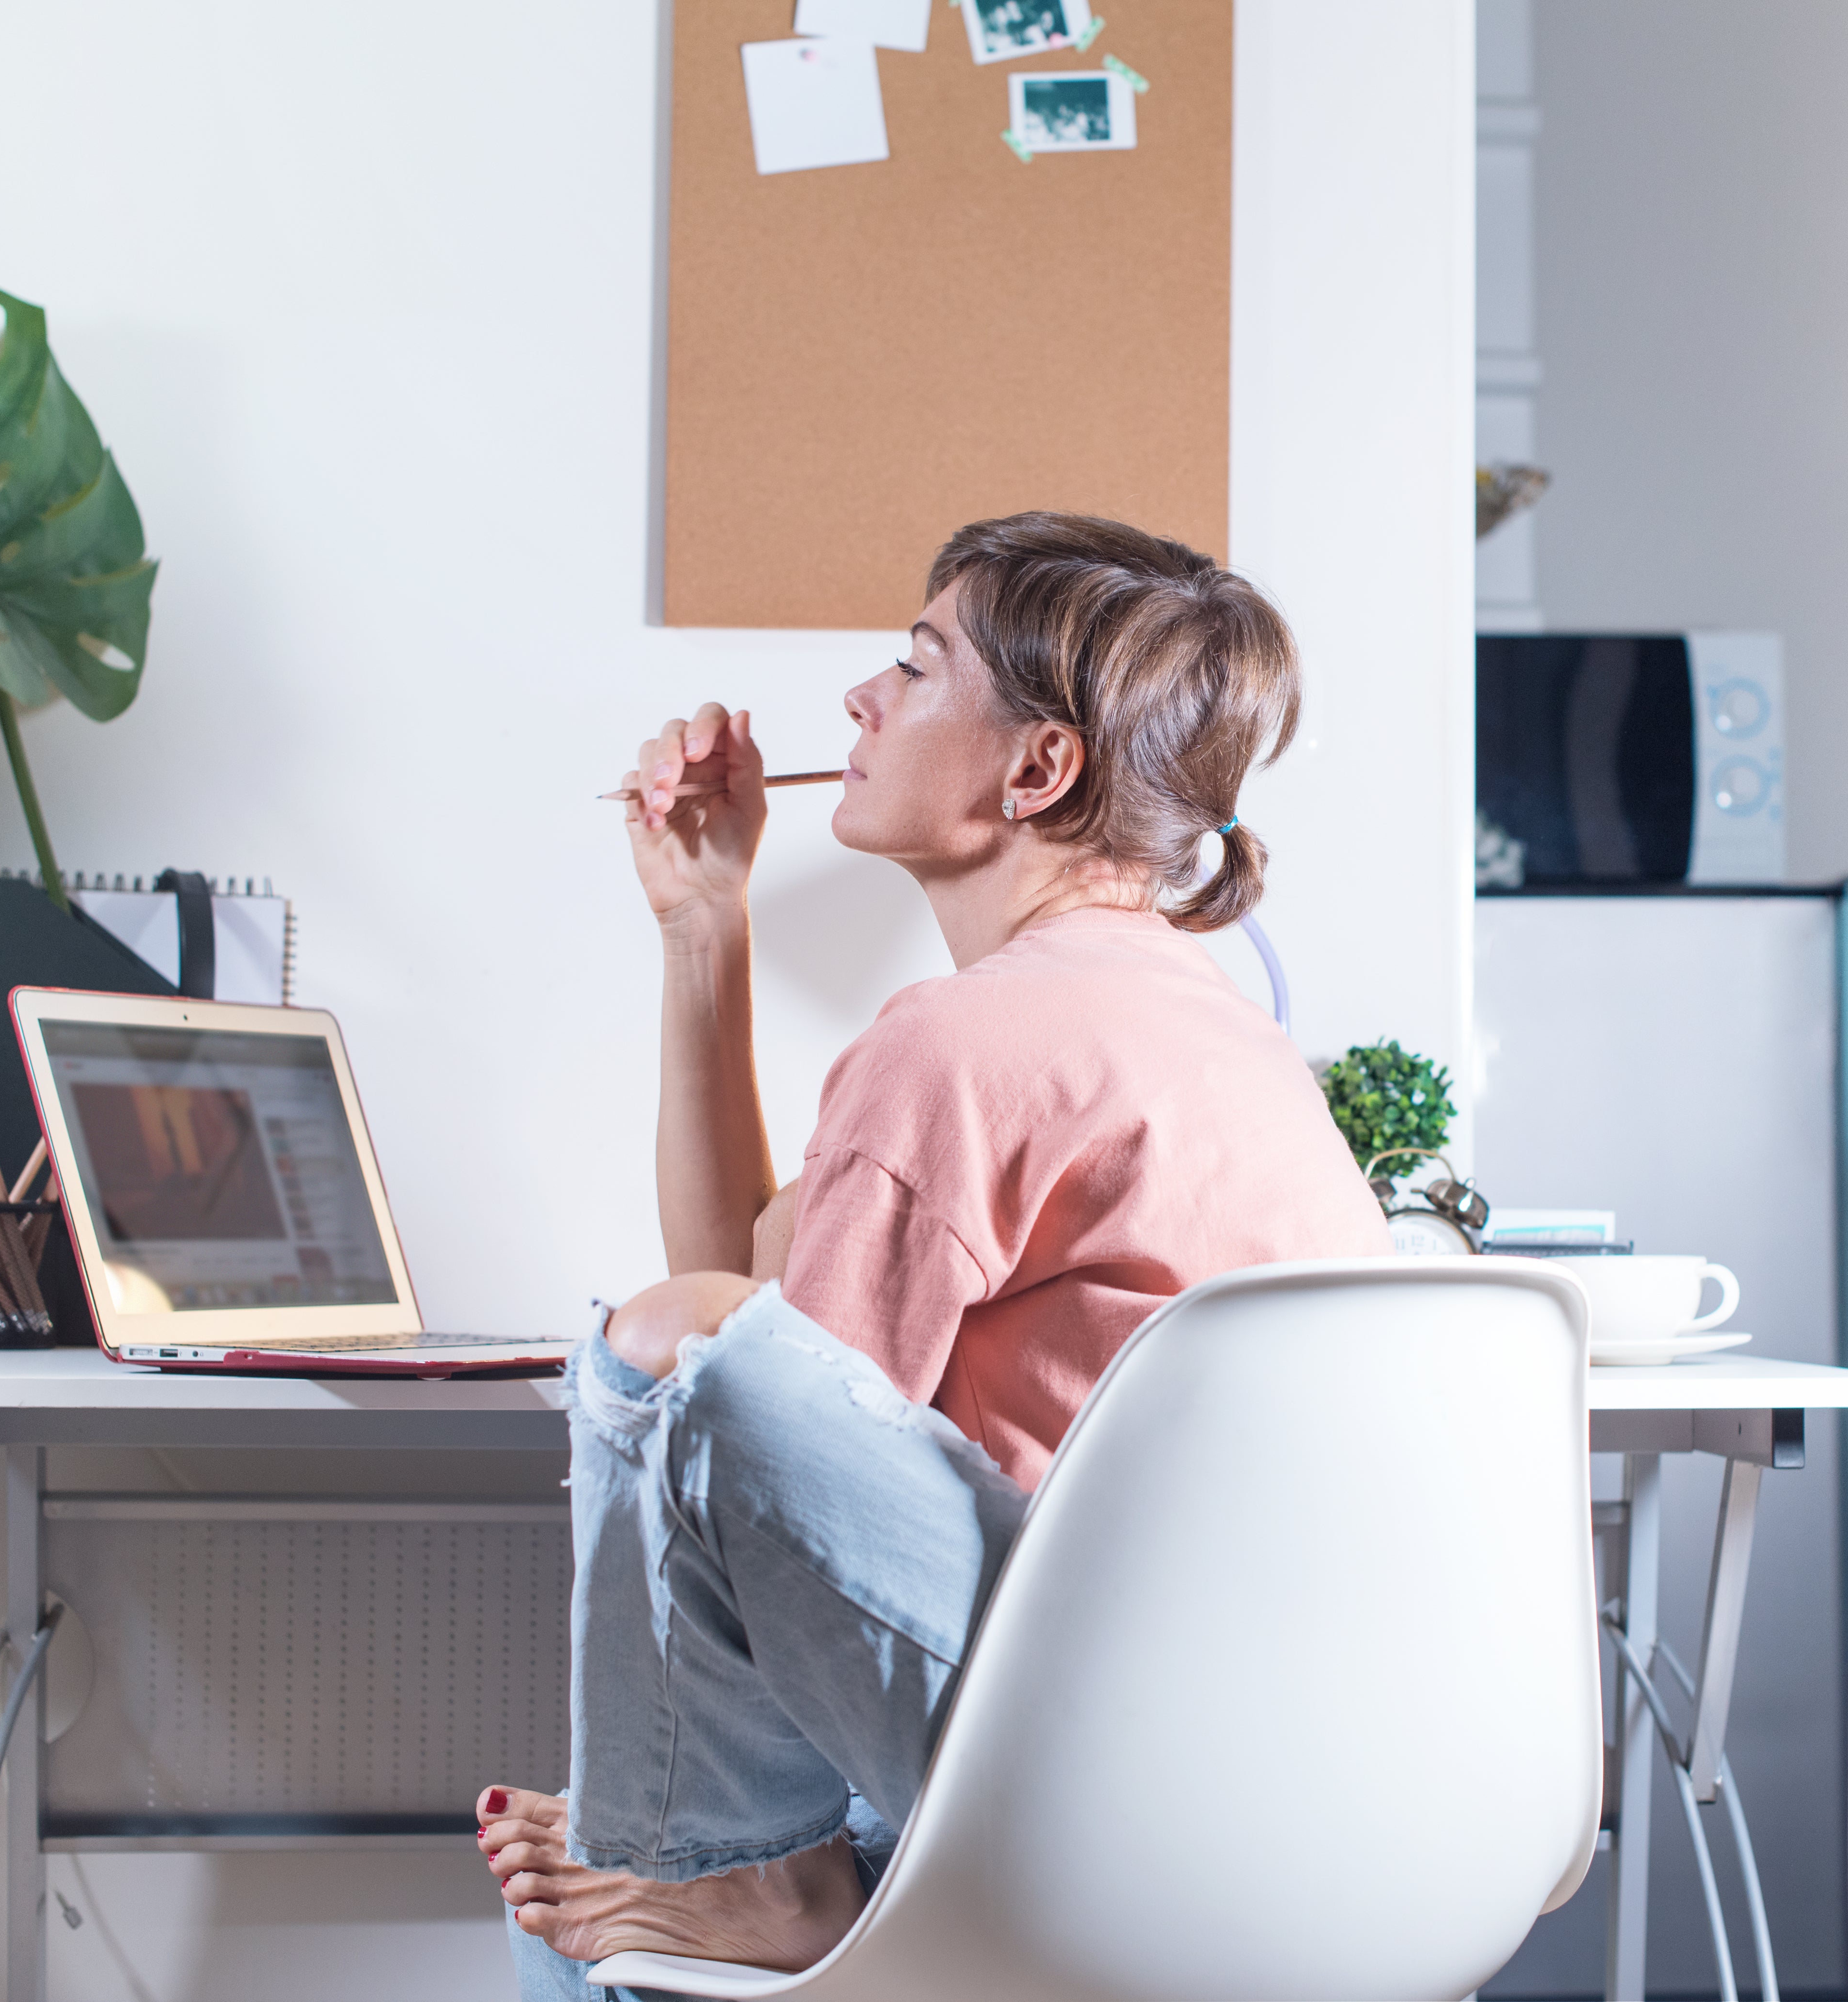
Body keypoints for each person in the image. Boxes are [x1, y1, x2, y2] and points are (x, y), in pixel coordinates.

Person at [474, 513, 1390, 1993]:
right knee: (692, 1341)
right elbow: (760, 1337)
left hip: (1085, 1756)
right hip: (1253, 1749)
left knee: (649, 1344)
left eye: (913, 667)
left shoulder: (967, 1043)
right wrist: (705, 922)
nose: (859, 703)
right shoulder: (1201, 1019)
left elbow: (711, 1376)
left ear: (1037, 771)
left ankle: (734, 1876)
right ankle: (708, 1865)